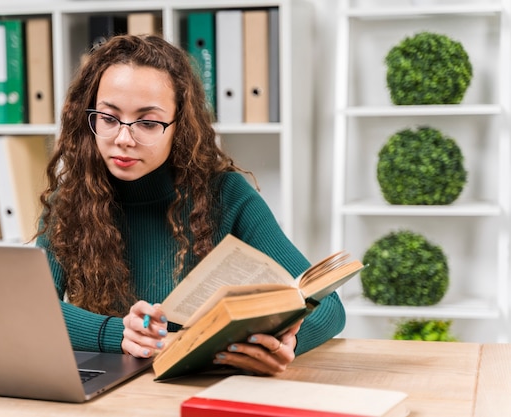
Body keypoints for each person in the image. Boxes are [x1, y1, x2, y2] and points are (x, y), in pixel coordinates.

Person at [35, 34, 345, 376]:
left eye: (148, 123)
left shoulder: (225, 194)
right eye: (108, 119)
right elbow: (32, 305)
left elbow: (326, 304)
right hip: (114, 393)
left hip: (206, 389)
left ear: (179, 126)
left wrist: (288, 344)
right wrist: (118, 335)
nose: (123, 139)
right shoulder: (71, 199)